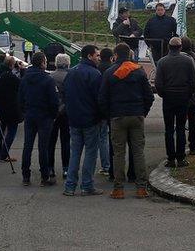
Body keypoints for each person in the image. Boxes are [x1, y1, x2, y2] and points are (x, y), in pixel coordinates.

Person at [98, 43, 154, 199]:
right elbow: (149, 96)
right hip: (136, 116)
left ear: (115, 55)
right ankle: (141, 188)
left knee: (118, 154)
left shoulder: (109, 73)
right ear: (129, 55)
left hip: (117, 117)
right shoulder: (139, 72)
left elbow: (102, 98)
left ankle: (118, 189)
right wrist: (143, 112)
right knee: (138, 152)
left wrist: (110, 115)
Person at [62, 45, 104, 196]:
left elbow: (64, 93)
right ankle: (87, 185)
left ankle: (70, 186)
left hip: (74, 119)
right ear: (89, 56)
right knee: (91, 153)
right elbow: (99, 98)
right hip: (90, 119)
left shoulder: (71, 72)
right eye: (97, 55)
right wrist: (100, 116)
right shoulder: (95, 74)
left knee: (75, 153)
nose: (99, 58)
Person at [153, 37, 195, 168]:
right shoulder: (188, 61)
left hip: (168, 98)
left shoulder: (162, 62)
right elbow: (193, 81)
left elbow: (158, 83)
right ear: (180, 47)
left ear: (168, 47)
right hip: (183, 97)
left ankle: (171, 158)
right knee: (181, 128)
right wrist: (188, 94)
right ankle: (181, 158)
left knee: (169, 129)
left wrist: (163, 94)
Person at [18, 51, 59, 186]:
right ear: (42, 63)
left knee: (27, 146)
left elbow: (20, 97)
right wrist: (53, 115)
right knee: (43, 147)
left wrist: (25, 111)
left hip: (30, 114)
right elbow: (54, 101)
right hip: (45, 116)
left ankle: (25, 175)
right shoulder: (48, 79)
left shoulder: (25, 78)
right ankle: (44, 176)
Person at [0, 56, 23, 162]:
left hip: (0, 107)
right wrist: (21, 70)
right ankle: (4, 154)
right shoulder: (11, 77)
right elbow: (21, 85)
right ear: (12, 65)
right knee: (11, 131)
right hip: (11, 108)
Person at [48, 53, 71, 180]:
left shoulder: (50, 77)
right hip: (66, 112)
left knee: (51, 142)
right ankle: (66, 168)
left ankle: (50, 168)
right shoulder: (70, 76)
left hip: (52, 113)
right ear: (67, 63)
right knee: (66, 141)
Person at [96, 47, 114, 176]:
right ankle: (113, 165)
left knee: (102, 137)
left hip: (100, 108)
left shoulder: (96, 69)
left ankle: (105, 165)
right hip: (113, 107)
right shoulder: (114, 69)